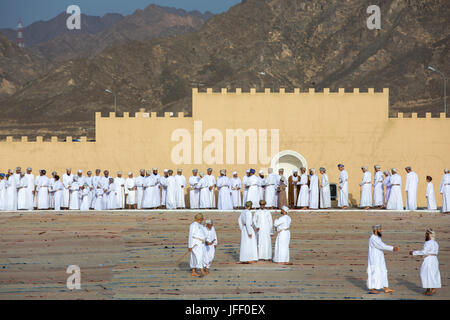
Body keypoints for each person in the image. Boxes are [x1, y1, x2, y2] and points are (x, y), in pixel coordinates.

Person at [367, 225, 399, 294]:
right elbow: (381, 246)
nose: (381, 230)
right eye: (380, 229)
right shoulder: (373, 238)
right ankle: (373, 289)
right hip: (374, 258)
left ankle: (386, 288)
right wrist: (392, 248)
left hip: (380, 257)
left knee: (384, 271)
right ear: (375, 230)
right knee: (375, 272)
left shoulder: (377, 237)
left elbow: (382, 244)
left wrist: (392, 248)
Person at [409, 228, 441, 296]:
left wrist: (413, 253)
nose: (425, 235)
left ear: (429, 235)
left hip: (428, 259)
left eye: (426, 234)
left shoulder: (428, 243)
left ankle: (432, 288)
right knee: (432, 273)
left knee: (425, 273)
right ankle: (428, 290)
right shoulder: (436, 243)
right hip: (434, 259)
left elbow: (424, 252)